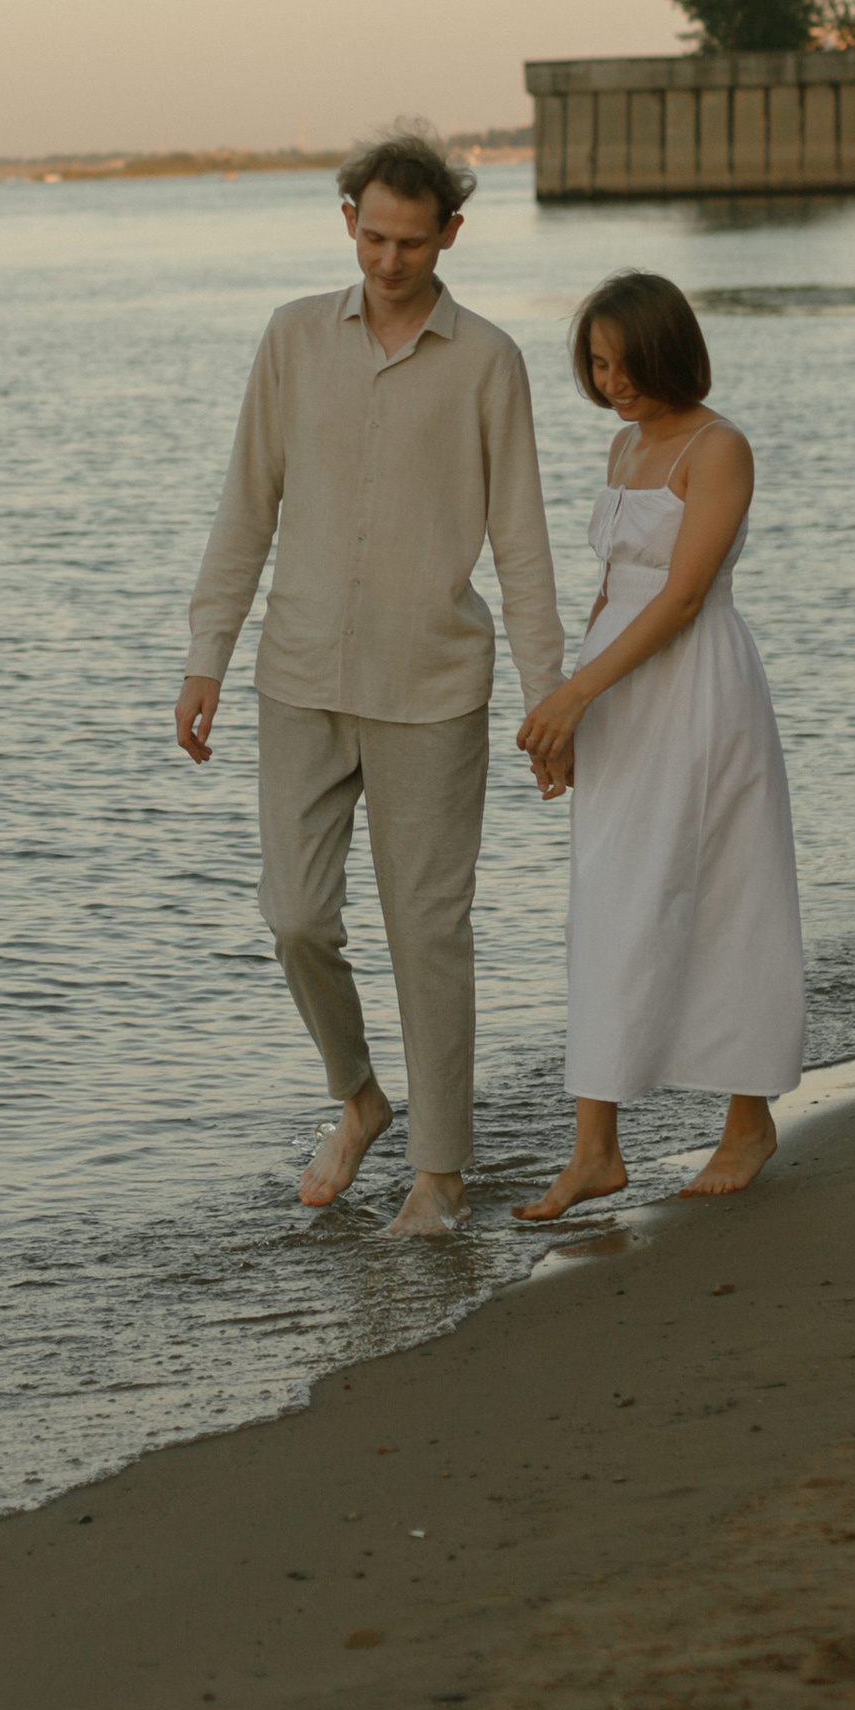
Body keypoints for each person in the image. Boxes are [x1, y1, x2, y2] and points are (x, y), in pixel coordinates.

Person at [176, 127, 565, 1235]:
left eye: (411, 242)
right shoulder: (293, 339)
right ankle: (358, 1098)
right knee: (295, 916)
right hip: (297, 675)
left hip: (434, 688)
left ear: (450, 233)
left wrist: (551, 698)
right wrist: (206, 655)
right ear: (347, 219)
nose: (389, 262)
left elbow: (521, 545)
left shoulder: (488, 360)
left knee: (426, 931)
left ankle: (440, 1175)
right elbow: (245, 506)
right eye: (372, 238)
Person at [513, 270, 805, 1218]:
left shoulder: (720, 448)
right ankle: (595, 1148)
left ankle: (747, 1117)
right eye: (597, 365)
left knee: (722, 887)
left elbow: (680, 596)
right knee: (605, 902)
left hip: (697, 690)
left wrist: (578, 691)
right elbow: (611, 591)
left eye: (626, 364)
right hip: (616, 695)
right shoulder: (623, 446)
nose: (612, 383)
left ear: (669, 351)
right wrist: (569, 711)